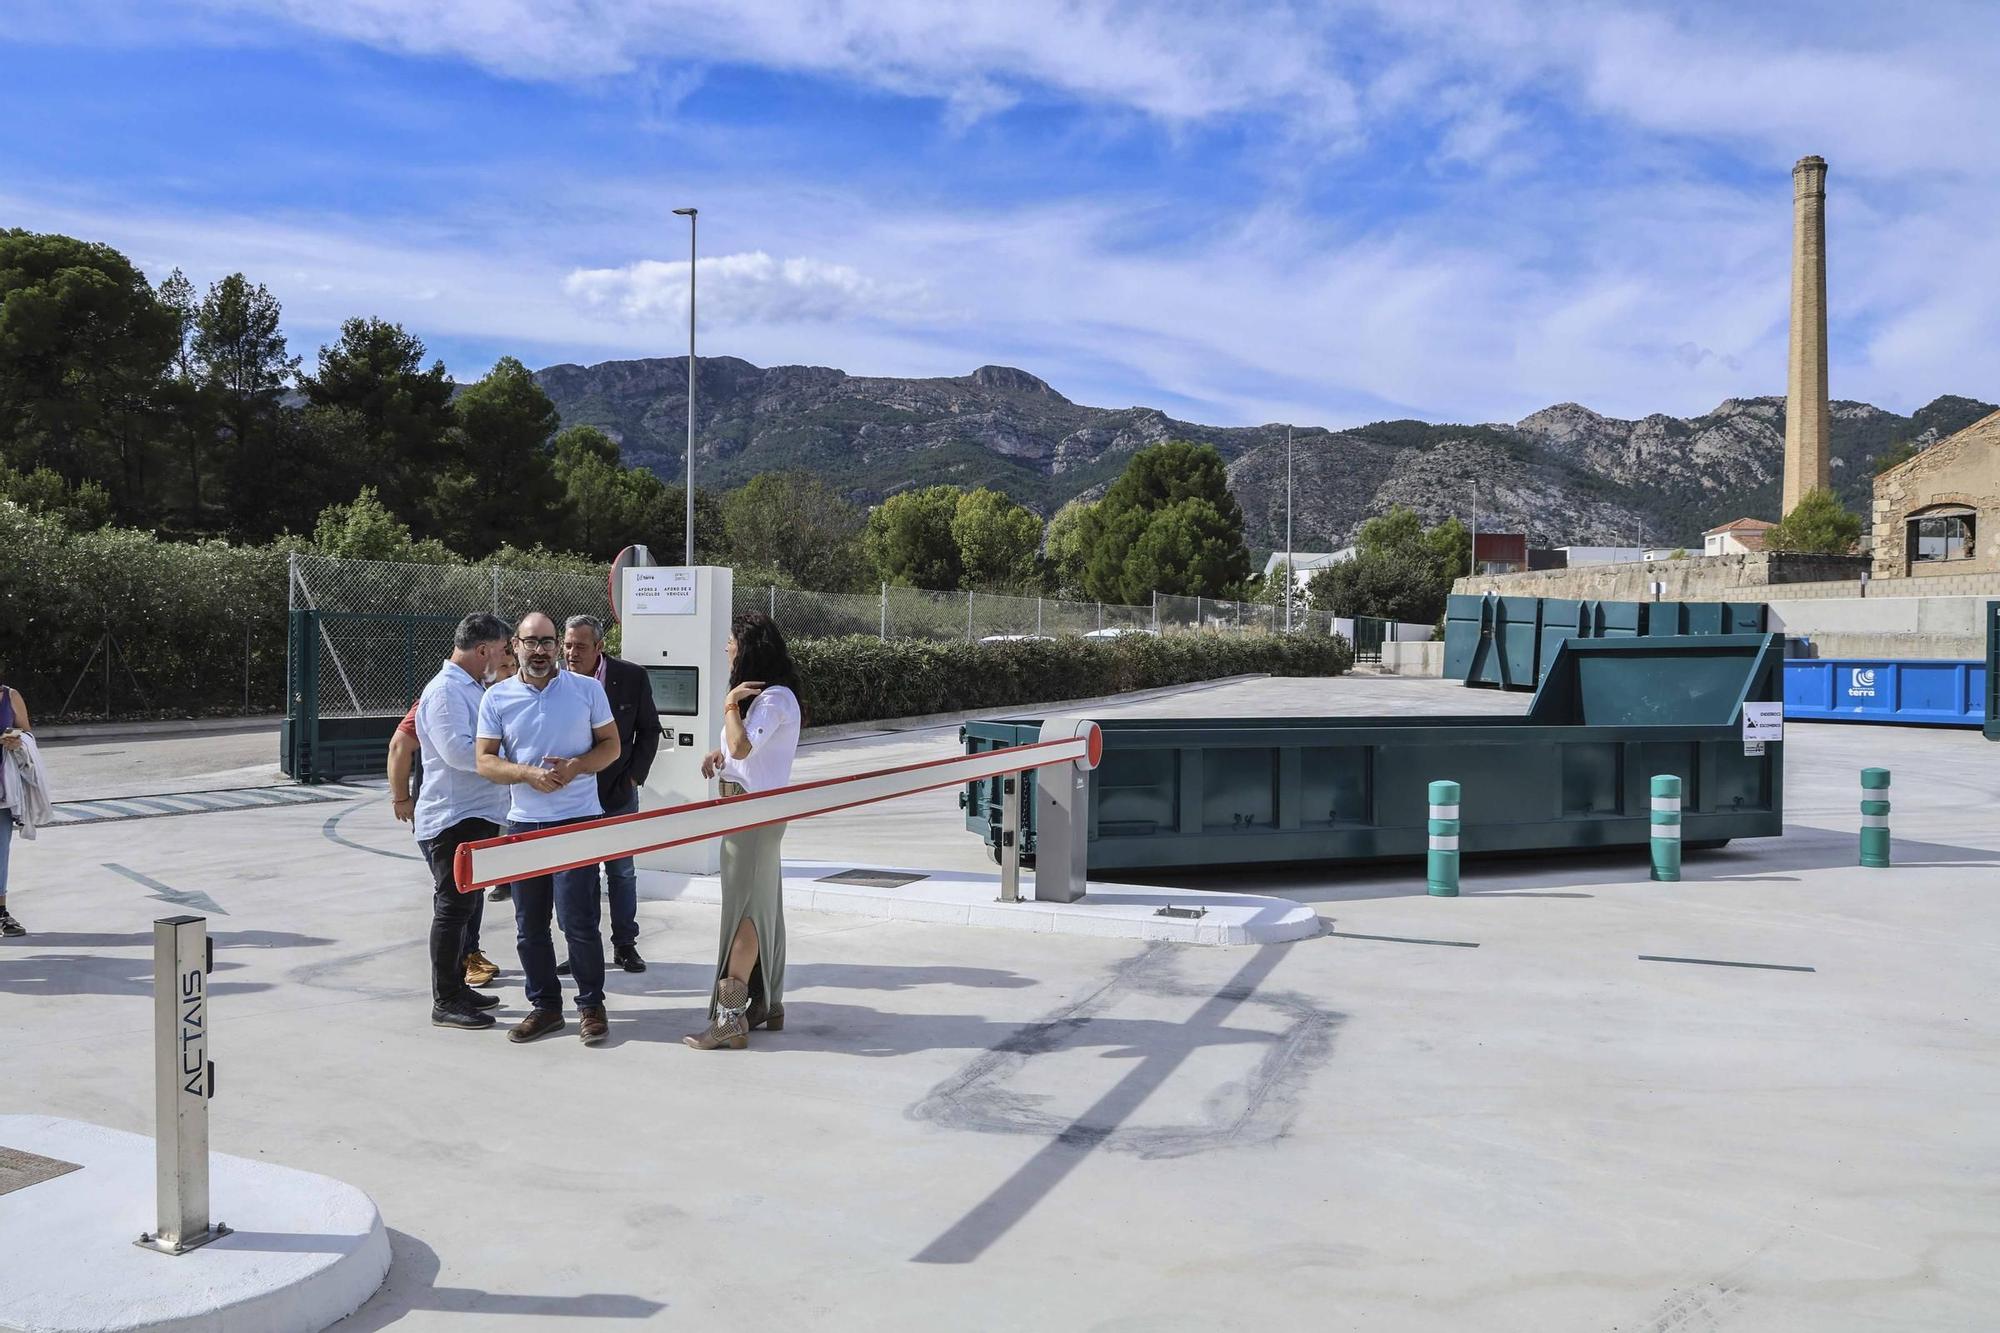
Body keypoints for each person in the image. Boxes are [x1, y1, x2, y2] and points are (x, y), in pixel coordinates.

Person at [476, 612, 621, 1047]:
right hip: (525, 824)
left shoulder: (587, 690)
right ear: (514, 646)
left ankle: (591, 1005)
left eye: (547, 642)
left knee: (578, 921)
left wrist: (577, 766)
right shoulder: (496, 698)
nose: (540, 650)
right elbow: (484, 760)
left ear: (558, 646)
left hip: (577, 821)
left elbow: (611, 746)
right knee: (530, 925)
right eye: (531, 642)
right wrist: (525, 774)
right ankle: (545, 1007)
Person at [687, 611, 805, 1051]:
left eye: (732, 641)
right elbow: (745, 752)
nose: (727, 648)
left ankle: (731, 1019)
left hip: (752, 817)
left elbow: (744, 743)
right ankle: (762, 1005)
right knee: (761, 908)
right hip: (746, 814)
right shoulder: (768, 700)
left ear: (749, 647)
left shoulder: (772, 699)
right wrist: (721, 757)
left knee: (746, 914)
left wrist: (728, 706)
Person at [412, 613, 516, 1031]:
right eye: (505, 649)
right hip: (454, 818)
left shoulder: (471, 688)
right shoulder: (445, 692)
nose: (506, 656)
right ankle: (446, 1000)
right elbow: (457, 752)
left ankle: (457, 987)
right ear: (483, 650)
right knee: (453, 909)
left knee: (467, 906)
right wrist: (512, 764)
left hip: (476, 815)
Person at [558, 613, 660, 974]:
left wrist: (634, 777)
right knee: (575, 876)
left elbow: (649, 730)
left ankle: (625, 944)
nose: (571, 653)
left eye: (580, 647)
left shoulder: (631, 677)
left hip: (617, 792)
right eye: (567, 645)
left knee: (621, 872)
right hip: (569, 798)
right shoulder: (555, 682)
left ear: (599, 647)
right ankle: (579, 947)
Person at [0, 671, 35, 937]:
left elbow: (29, 735)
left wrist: (17, 741)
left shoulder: (10, 696)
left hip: (3, 791)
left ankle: (1, 913)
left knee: (0, 852)